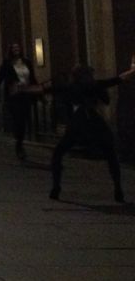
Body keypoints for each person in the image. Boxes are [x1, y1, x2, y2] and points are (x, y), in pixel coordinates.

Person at [46, 57, 135, 202]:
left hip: (77, 126)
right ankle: (118, 188)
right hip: (95, 124)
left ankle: (56, 187)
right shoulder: (95, 85)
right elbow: (117, 80)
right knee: (111, 154)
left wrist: (28, 89)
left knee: (58, 153)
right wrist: (132, 70)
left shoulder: (71, 87)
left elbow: (49, 90)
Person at [0, 42, 39, 160]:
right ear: (10, 50)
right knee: (18, 120)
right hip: (13, 95)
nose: (16, 49)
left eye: (18, 47)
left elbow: (32, 78)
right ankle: (19, 145)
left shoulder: (27, 62)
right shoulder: (7, 64)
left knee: (24, 120)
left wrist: (39, 93)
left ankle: (19, 142)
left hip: (25, 94)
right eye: (14, 48)